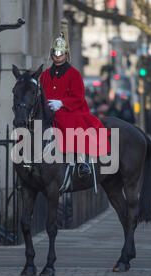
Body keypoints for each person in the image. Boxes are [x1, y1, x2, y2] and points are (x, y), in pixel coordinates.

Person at [40, 33, 111, 177]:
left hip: (70, 109)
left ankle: (81, 160)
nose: (58, 56)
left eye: (61, 54)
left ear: (66, 54)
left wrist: (61, 103)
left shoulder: (74, 74)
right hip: (48, 110)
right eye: (55, 53)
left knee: (72, 122)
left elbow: (79, 97)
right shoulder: (45, 75)